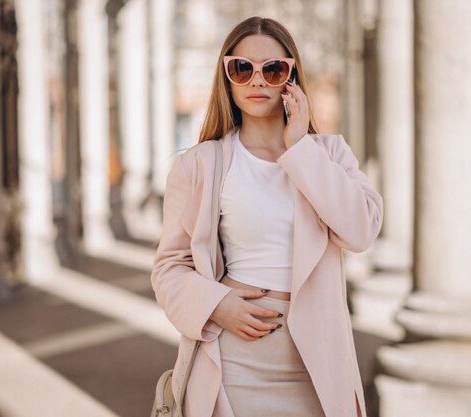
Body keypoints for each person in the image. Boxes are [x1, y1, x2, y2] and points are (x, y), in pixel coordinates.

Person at [151, 16, 383, 417]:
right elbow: (169, 267)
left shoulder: (328, 154)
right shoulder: (200, 165)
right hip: (233, 361)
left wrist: (299, 150)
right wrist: (215, 305)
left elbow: (361, 230)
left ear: (291, 78)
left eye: (272, 69)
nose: (257, 80)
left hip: (318, 363)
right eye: (242, 68)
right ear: (227, 78)